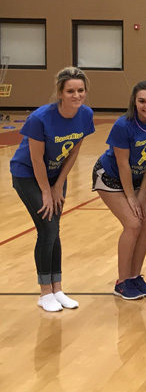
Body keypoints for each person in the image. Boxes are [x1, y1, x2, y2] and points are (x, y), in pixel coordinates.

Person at [10, 67, 94, 312]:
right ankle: (44, 292)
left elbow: (75, 149)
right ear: (60, 92)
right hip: (28, 175)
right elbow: (36, 160)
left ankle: (58, 289)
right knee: (47, 228)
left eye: (80, 90)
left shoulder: (85, 114)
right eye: (70, 91)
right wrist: (46, 191)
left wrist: (58, 185)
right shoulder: (40, 118)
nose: (76, 95)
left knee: (54, 230)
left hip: (56, 176)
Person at [92, 80, 146, 300]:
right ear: (134, 102)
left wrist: (143, 191)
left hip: (137, 179)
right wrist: (131, 197)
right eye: (142, 101)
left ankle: (135, 276)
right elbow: (123, 164)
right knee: (133, 223)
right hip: (110, 176)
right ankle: (122, 281)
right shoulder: (123, 125)